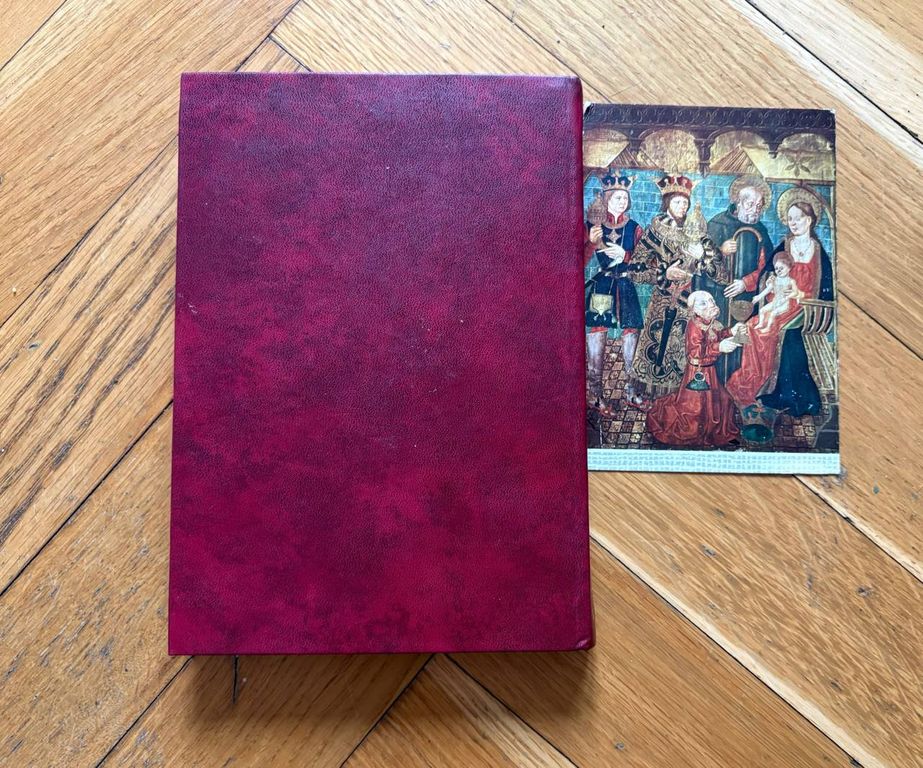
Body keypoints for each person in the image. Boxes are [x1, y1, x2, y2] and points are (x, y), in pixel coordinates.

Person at [725, 192, 834, 417]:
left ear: (809, 220)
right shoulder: (785, 245)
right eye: (790, 219)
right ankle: (754, 384)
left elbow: (826, 289)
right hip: (780, 302)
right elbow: (766, 273)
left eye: (798, 218)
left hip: (805, 306)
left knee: (779, 330)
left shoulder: (817, 250)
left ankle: (783, 393)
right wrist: (768, 284)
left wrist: (803, 297)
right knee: (753, 326)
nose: (793, 223)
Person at [630, 174, 726, 404]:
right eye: (677, 202)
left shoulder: (698, 232)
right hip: (663, 302)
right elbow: (635, 269)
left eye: (685, 202)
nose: (682, 207)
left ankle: (684, 398)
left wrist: (703, 257)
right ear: (667, 204)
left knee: (688, 348)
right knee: (658, 348)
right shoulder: (655, 231)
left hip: (693, 303)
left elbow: (721, 274)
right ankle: (654, 397)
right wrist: (664, 273)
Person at [698, 177, 774, 382]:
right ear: (738, 203)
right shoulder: (717, 224)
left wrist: (745, 283)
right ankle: (714, 382)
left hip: (746, 299)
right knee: (718, 337)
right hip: (718, 296)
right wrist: (720, 251)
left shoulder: (761, 231)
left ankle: (736, 383)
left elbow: (767, 268)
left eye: (759, 206)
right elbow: (700, 262)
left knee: (741, 340)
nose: (755, 210)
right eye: (750, 204)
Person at [584, 171, 646, 415]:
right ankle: (595, 395)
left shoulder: (635, 228)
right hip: (602, 286)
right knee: (597, 335)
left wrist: (626, 256)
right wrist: (591, 242)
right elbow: (579, 262)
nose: (622, 202)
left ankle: (632, 392)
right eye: (617, 197)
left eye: (625, 198)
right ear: (606, 198)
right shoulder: (593, 226)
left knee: (631, 334)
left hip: (626, 285)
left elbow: (645, 262)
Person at [646, 291, 740, 446]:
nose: (711, 304)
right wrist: (719, 347)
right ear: (694, 310)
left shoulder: (710, 321)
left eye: (711, 300)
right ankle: (700, 433)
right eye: (704, 303)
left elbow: (717, 335)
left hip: (710, 371)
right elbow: (695, 352)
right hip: (697, 372)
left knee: (724, 400)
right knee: (696, 408)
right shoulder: (694, 326)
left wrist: (731, 331)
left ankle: (720, 432)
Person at [751, 253, 803, 332]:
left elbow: (795, 292)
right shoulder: (774, 280)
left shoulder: (791, 281)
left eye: (781, 268)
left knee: (773, 313)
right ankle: (761, 324)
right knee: (762, 310)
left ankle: (768, 328)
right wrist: (758, 297)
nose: (778, 271)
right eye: (776, 268)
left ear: (789, 268)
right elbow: (768, 290)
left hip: (785, 304)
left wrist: (787, 297)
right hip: (775, 301)